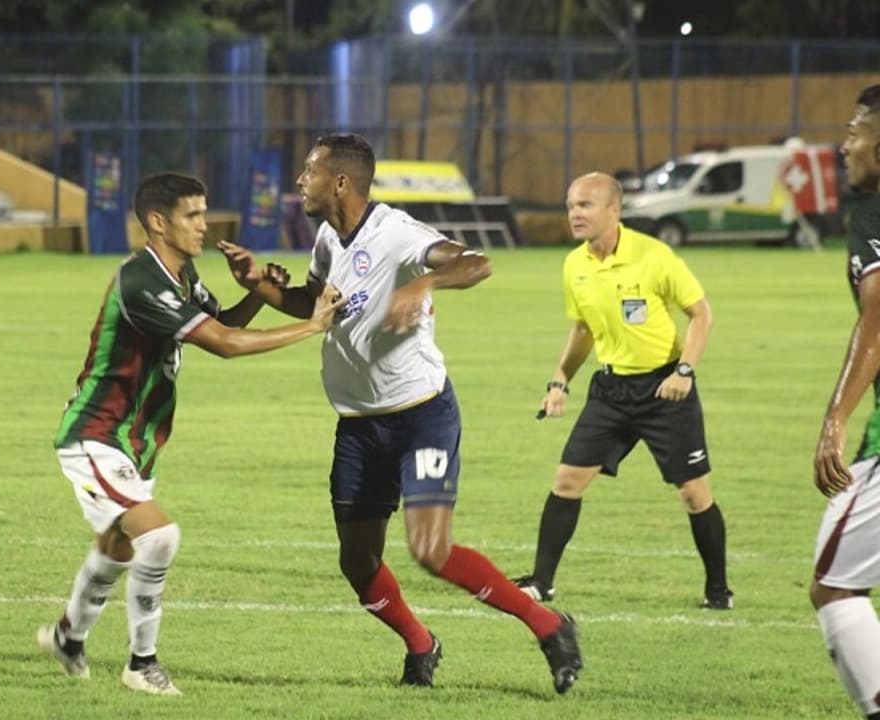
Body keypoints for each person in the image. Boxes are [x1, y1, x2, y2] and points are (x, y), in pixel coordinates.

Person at [218, 133, 583, 694]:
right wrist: (263, 288)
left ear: (340, 181)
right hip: (359, 427)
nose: (300, 181)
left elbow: (476, 263)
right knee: (357, 563)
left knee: (430, 549)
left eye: (309, 172)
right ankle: (420, 643)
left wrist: (425, 282)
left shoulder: (396, 232)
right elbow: (316, 304)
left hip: (421, 416)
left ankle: (549, 625)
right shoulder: (326, 239)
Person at [38, 172, 343, 696]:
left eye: (205, 212)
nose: (205, 224)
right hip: (95, 434)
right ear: (158, 222)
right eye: (193, 215)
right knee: (159, 537)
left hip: (134, 440)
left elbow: (218, 319)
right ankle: (142, 664)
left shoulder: (179, 274)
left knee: (117, 546)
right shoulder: (142, 280)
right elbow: (222, 342)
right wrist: (312, 326)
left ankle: (68, 637)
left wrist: (259, 292)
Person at [515, 172, 731, 612]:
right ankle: (542, 582)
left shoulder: (654, 256)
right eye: (571, 205)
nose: (575, 213)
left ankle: (718, 591)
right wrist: (559, 382)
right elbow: (581, 329)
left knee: (693, 492)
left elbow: (701, 314)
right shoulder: (574, 264)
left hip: (664, 388)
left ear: (614, 210)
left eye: (586, 205)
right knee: (567, 481)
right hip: (611, 391)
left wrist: (684, 372)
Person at [811, 84, 880, 720]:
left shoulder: (874, 212)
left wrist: (836, 417)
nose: (844, 143)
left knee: (835, 585)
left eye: (856, 131)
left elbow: (879, 315)